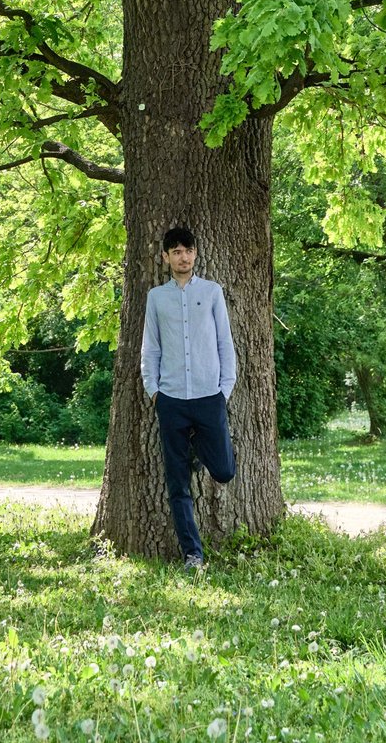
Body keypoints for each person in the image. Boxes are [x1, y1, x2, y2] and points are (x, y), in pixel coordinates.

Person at [140, 223, 236, 569]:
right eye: (176, 252)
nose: (183, 257)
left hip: (210, 396)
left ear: (196, 253)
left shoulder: (212, 292)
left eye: (188, 251)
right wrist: (154, 392)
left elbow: (225, 343)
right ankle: (192, 553)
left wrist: (224, 390)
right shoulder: (156, 298)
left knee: (224, 470)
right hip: (172, 400)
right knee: (177, 483)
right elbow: (150, 348)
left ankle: (198, 449)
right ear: (166, 257)